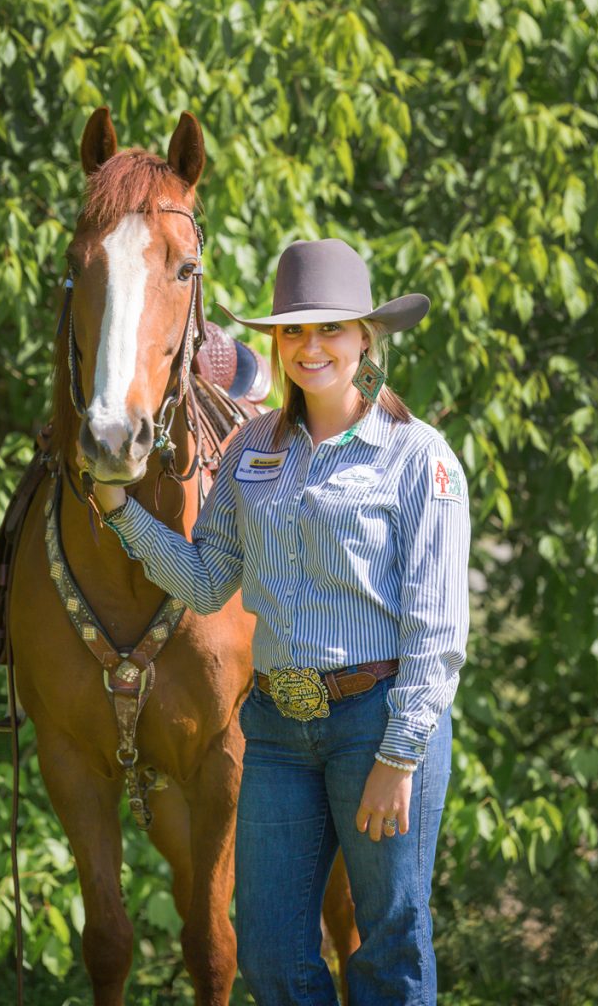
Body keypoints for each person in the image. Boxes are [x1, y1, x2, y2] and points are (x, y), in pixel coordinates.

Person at [85, 238, 470, 1005]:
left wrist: (399, 758)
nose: (311, 346)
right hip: (277, 733)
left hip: (378, 724)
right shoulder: (249, 450)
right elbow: (204, 581)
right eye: (293, 331)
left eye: (331, 328)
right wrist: (120, 511)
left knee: (387, 950)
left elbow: (437, 633)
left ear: (367, 337)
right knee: (268, 956)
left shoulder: (416, 458)